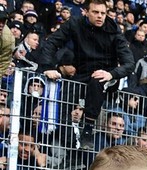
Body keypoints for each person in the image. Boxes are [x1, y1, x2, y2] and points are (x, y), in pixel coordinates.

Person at [35, 0, 135, 149]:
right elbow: (51, 43)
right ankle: (68, 145)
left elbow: (129, 63)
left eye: (103, 13)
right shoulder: (74, 23)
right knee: (64, 101)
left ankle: (88, 129)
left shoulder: (114, 30)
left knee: (97, 81)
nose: (100, 16)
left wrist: (112, 74)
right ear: (86, 12)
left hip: (106, 73)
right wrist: (48, 67)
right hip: (81, 72)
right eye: (95, 12)